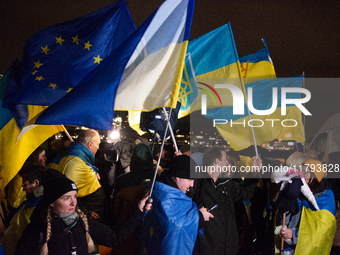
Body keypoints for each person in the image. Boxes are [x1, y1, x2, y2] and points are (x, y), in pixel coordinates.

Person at [15, 169, 152, 255]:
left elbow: (114, 238)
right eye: (66, 198)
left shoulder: (82, 223)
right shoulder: (37, 230)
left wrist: (138, 210)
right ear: (52, 201)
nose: (73, 202)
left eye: (75, 196)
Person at [142, 155, 214, 255]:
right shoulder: (166, 196)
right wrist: (200, 216)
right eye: (190, 180)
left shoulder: (168, 191)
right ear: (177, 177)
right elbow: (176, 225)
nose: (192, 184)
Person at [196, 146, 262, 255]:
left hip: (229, 246)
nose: (227, 163)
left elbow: (244, 194)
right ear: (216, 161)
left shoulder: (226, 183)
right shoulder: (198, 184)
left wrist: (253, 173)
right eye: (225, 159)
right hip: (208, 247)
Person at [279, 159, 336, 254]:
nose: (302, 175)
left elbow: (321, 232)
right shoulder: (299, 193)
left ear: (316, 176)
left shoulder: (325, 199)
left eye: (306, 172)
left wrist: (294, 234)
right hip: (290, 247)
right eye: (301, 171)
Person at [48, 129, 106, 220]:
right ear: (90, 144)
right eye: (97, 144)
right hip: (78, 219)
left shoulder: (66, 155)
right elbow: (65, 194)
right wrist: (85, 213)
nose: (98, 147)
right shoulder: (76, 161)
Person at [111, 143, 154, 255]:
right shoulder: (157, 179)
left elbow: (115, 209)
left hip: (126, 228)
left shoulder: (122, 180)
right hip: (149, 229)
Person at [2, 163, 45, 255]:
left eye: (25, 185)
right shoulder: (29, 202)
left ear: (36, 183)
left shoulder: (35, 208)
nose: (23, 189)